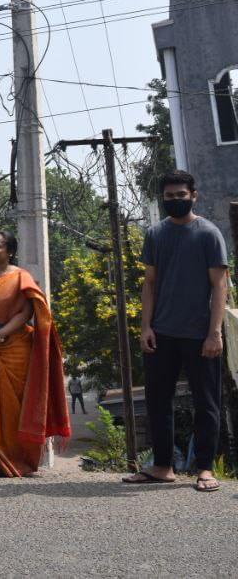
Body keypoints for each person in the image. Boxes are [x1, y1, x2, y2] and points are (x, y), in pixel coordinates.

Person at [122, 171, 230, 493]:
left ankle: (206, 469)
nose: (175, 200)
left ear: (194, 195)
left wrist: (215, 333)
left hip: (200, 334)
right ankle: (162, 466)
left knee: (206, 402)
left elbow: (220, 286)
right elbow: (150, 283)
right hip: (162, 332)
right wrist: (146, 327)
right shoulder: (155, 234)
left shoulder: (209, 234)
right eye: (169, 196)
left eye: (181, 195)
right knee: (157, 401)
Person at [0, 231, 70, 477]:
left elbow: (26, 312)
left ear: (9, 252)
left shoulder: (20, 277)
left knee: (14, 408)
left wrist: (0, 335)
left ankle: (15, 460)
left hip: (14, 349)